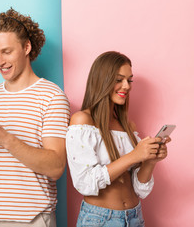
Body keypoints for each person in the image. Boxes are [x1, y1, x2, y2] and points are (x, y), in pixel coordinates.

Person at [0, 8, 70, 227]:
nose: (0, 61)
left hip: (33, 220)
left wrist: (4, 138)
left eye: (6, 52)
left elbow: (56, 167)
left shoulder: (52, 97)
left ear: (26, 47)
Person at [66, 51, 170, 226]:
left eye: (129, 80)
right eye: (119, 79)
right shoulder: (83, 121)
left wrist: (150, 160)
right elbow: (84, 182)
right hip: (100, 219)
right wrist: (135, 156)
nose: (127, 86)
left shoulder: (128, 127)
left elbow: (140, 189)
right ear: (102, 80)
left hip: (135, 217)